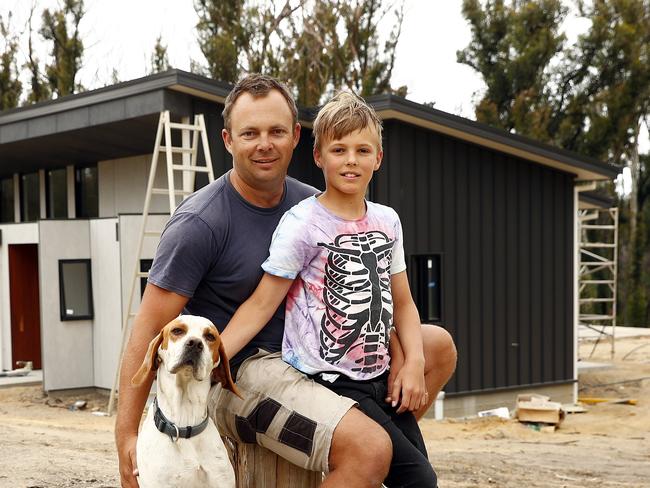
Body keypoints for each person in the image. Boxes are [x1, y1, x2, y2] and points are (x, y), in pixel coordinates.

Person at [115, 74, 457, 488]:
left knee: (436, 346)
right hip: (244, 369)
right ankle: (359, 451)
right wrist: (127, 437)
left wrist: (405, 354)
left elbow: (383, 294)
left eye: (277, 131)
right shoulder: (199, 224)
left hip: (319, 354)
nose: (265, 144)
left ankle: (355, 455)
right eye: (250, 133)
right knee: (369, 448)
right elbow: (149, 328)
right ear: (227, 140)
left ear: (296, 136)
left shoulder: (317, 205)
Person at [220, 90, 437, 486]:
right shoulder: (302, 223)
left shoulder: (388, 221)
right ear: (319, 156)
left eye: (362, 150)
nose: (351, 160)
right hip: (331, 381)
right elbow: (261, 304)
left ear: (378, 158)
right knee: (417, 478)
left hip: (380, 373)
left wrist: (414, 363)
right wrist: (215, 359)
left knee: (416, 478)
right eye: (339, 150)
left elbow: (403, 304)